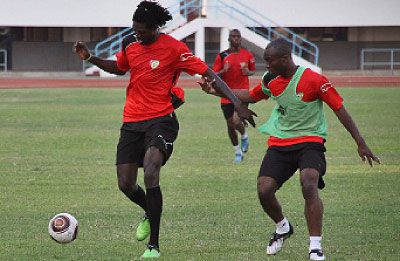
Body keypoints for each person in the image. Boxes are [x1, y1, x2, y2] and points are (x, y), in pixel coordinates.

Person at [73, 1, 256, 259]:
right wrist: (91, 58)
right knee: (125, 184)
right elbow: (120, 67)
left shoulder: (174, 49)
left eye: (142, 31)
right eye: (134, 30)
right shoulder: (131, 44)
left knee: (150, 170)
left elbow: (209, 74)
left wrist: (238, 103)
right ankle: (150, 209)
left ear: (155, 27)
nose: (137, 35)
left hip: (161, 119)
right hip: (132, 120)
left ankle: (154, 245)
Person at [199, 38, 380, 260]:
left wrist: (360, 142)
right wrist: (215, 91)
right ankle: (283, 227)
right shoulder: (271, 79)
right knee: (264, 189)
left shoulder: (314, 80)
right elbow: (251, 97)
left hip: (310, 142)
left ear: (284, 59)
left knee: (309, 182)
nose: (266, 65)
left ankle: (315, 247)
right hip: (281, 143)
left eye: (270, 61)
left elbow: (340, 110)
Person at [212, 29, 256, 162]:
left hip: (242, 94)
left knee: (237, 120)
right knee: (230, 124)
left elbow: (252, 71)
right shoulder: (222, 56)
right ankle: (238, 152)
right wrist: (223, 71)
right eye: (233, 36)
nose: (236, 39)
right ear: (229, 39)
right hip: (226, 93)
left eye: (238, 36)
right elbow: (213, 75)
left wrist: (248, 72)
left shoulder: (248, 55)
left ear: (241, 39)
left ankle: (244, 135)